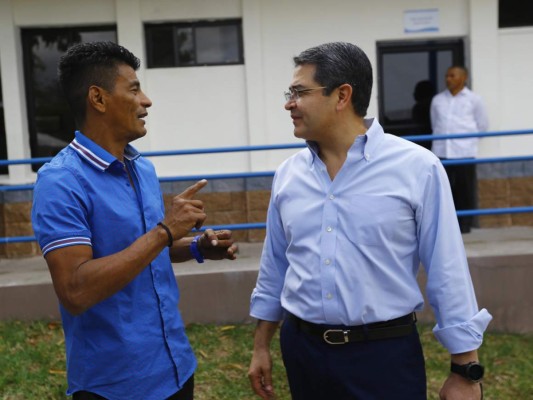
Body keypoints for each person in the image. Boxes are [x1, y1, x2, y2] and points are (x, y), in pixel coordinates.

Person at [248, 42, 492, 400]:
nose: (289, 103)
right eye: (290, 93)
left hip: (383, 358)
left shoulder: (416, 168)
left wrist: (465, 370)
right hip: (303, 353)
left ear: (342, 95)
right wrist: (261, 345)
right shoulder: (288, 175)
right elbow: (275, 265)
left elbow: (447, 270)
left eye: (300, 92)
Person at [31, 41, 238, 400]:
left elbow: (148, 248)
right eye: (134, 89)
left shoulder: (141, 167)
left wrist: (198, 247)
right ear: (98, 99)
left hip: (175, 366)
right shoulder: (60, 182)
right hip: (115, 385)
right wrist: (164, 231)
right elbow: (76, 291)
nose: (147, 101)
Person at [430, 66, 489, 233]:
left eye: (452, 76)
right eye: (447, 76)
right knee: (444, 189)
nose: (448, 79)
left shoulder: (474, 100)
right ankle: (446, 224)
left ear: (464, 78)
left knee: (465, 189)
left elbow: (482, 125)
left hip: (464, 152)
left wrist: (467, 141)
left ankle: (464, 224)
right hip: (442, 152)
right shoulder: (438, 100)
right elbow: (435, 124)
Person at [411, 79, 436, 150]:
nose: (413, 94)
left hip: (424, 142)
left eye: (417, 91)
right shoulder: (418, 107)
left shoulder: (421, 107)